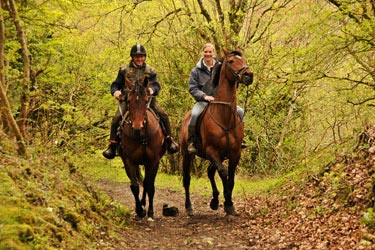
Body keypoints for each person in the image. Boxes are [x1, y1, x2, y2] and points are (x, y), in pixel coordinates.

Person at [102, 44, 179, 159]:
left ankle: (169, 140)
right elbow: (115, 84)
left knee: (163, 114)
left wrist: (152, 90)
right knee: (116, 118)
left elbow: (157, 85)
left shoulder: (150, 70)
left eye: (141, 56)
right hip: (129, 100)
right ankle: (112, 145)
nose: (139, 59)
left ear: (144, 57)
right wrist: (116, 92)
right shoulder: (124, 70)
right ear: (132, 57)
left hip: (146, 100)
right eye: (137, 56)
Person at [187, 43, 247, 154]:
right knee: (194, 114)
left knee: (241, 111)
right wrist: (204, 96)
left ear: (213, 53)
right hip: (203, 102)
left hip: (220, 102)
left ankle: (241, 139)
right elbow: (192, 88)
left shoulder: (220, 67)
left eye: (210, 52)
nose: (208, 54)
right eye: (206, 52)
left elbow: (230, 79)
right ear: (202, 53)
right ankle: (192, 141)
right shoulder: (196, 71)